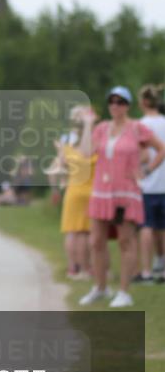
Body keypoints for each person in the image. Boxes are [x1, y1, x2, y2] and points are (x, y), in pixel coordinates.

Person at [80, 87, 165, 308]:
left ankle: (125, 292)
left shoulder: (137, 128)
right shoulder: (101, 129)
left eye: (120, 101)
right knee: (96, 241)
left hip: (126, 193)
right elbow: (86, 152)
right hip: (101, 192)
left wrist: (146, 171)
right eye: (111, 101)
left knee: (125, 241)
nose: (115, 105)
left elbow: (161, 148)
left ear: (127, 105)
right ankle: (100, 287)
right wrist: (88, 124)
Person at [54, 105, 97, 280]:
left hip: (73, 191)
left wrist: (56, 187)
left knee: (72, 232)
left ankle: (73, 268)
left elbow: (59, 168)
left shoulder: (66, 144)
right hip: (92, 190)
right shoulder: (94, 141)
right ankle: (87, 268)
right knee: (86, 232)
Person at [136, 84, 165, 282]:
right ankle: (162, 268)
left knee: (146, 226)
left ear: (144, 102)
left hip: (147, 184)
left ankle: (146, 271)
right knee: (162, 227)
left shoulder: (140, 125)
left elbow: (142, 155)